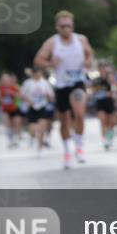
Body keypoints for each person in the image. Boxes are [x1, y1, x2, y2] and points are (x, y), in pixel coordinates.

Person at [34, 10, 95, 169]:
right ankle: (67, 151)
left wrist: (88, 62)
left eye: (68, 25)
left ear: (73, 25)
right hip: (61, 85)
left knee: (80, 113)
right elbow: (38, 60)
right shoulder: (52, 43)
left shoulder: (81, 40)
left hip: (77, 83)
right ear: (57, 27)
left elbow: (89, 54)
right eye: (62, 26)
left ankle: (79, 146)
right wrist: (50, 64)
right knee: (64, 121)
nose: (66, 29)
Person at [21, 66, 55, 158]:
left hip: (42, 107)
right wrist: (29, 101)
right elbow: (22, 95)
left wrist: (49, 97)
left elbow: (51, 95)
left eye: (39, 72)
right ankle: (32, 137)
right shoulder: (28, 83)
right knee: (33, 129)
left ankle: (40, 148)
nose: (37, 74)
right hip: (32, 108)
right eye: (35, 72)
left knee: (42, 129)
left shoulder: (45, 83)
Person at [92, 61, 117, 150]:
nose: (102, 69)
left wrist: (112, 82)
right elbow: (93, 90)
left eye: (104, 67)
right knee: (103, 120)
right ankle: (105, 140)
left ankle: (109, 137)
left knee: (111, 122)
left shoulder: (111, 78)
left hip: (109, 102)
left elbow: (116, 89)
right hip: (100, 102)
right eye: (100, 68)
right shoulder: (96, 79)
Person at [0, 73, 22, 148]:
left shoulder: (14, 87)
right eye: (4, 79)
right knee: (8, 125)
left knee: (16, 123)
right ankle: (10, 140)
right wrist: (1, 99)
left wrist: (12, 93)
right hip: (5, 109)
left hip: (14, 108)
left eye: (7, 79)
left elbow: (19, 96)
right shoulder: (0, 88)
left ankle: (15, 140)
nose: (6, 81)